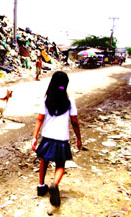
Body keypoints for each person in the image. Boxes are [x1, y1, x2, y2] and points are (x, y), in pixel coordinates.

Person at [31, 71, 82, 206]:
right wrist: (78, 139)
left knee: (44, 161)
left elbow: (39, 119)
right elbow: (75, 122)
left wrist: (34, 137)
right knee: (60, 164)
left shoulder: (47, 99)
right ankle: (54, 184)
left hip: (47, 137)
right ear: (65, 84)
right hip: (61, 138)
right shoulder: (69, 101)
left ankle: (41, 186)